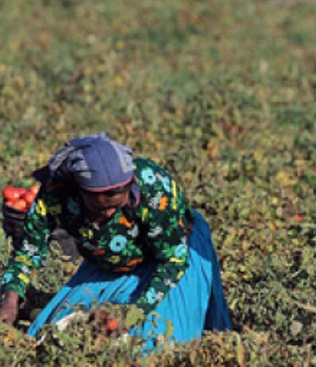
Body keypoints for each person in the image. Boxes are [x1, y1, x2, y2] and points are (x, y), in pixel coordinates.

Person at [0, 133, 231, 351]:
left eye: (117, 205)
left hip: (172, 256)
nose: (111, 213)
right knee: (50, 337)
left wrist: (133, 315)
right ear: (79, 191)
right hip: (108, 261)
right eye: (101, 207)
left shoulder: (154, 189)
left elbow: (172, 261)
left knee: (157, 342)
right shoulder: (56, 195)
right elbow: (28, 251)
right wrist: (11, 297)